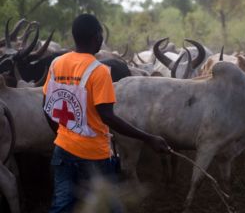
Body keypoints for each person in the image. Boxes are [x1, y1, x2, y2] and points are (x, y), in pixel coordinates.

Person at [42, 13, 170, 213]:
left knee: (61, 206)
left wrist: (61, 134)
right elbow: (107, 116)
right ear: (97, 37)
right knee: (110, 206)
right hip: (93, 155)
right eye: (100, 34)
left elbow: (47, 105)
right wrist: (148, 138)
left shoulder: (56, 63)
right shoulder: (99, 71)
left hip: (62, 149)